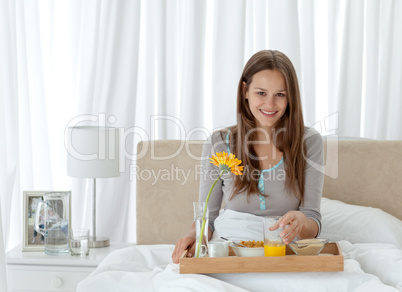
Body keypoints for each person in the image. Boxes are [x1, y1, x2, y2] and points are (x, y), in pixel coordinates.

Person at [171, 50, 324, 263]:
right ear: (245, 91)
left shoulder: (309, 142)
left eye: (280, 94)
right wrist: (193, 236)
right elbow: (209, 219)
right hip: (230, 252)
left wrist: (301, 222)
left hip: (283, 254)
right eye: (261, 93)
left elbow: (312, 221)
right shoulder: (219, 142)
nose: (270, 104)